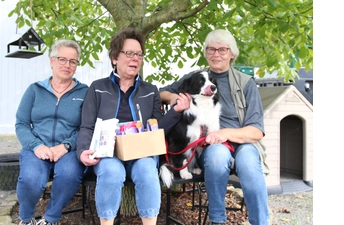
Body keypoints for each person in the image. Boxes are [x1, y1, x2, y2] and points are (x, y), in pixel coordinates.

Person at [76, 27, 191, 225]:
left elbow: (158, 129)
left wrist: (176, 112)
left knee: (147, 170)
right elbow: (86, 126)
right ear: (114, 58)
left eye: (138, 54)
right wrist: (82, 151)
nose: (135, 59)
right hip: (108, 153)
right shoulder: (98, 87)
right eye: (129, 53)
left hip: (142, 153)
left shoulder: (150, 90)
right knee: (111, 172)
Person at [159, 29, 270, 225]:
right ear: (206, 53)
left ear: (232, 54)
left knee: (250, 165)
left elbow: (256, 131)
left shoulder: (246, 84)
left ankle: (260, 222)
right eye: (211, 49)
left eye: (222, 50)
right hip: (209, 145)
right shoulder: (197, 78)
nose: (216, 54)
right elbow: (162, 93)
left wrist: (226, 133)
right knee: (218, 158)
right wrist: (177, 98)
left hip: (241, 142)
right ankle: (218, 221)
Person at [15, 40, 88, 225]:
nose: (67, 65)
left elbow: (87, 127)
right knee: (30, 179)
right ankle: (26, 218)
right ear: (52, 61)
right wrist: (36, 146)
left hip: (68, 150)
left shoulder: (85, 92)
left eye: (73, 61)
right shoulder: (34, 90)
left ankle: (51, 218)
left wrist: (67, 146)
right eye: (62, 59)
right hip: (37, 147)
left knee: (69, 175)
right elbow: (21, 124)